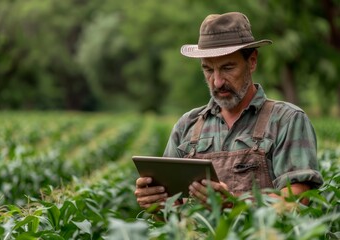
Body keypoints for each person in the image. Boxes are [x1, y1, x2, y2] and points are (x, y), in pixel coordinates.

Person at [134, 12, 323, 209]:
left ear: (252, 61)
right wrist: (157, 204)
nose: (217, 81)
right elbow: (173, 213)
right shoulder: (186, 126)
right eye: (208, 69)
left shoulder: (287, 120)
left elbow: (298, 201)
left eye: (227, 68)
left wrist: (233, 204)